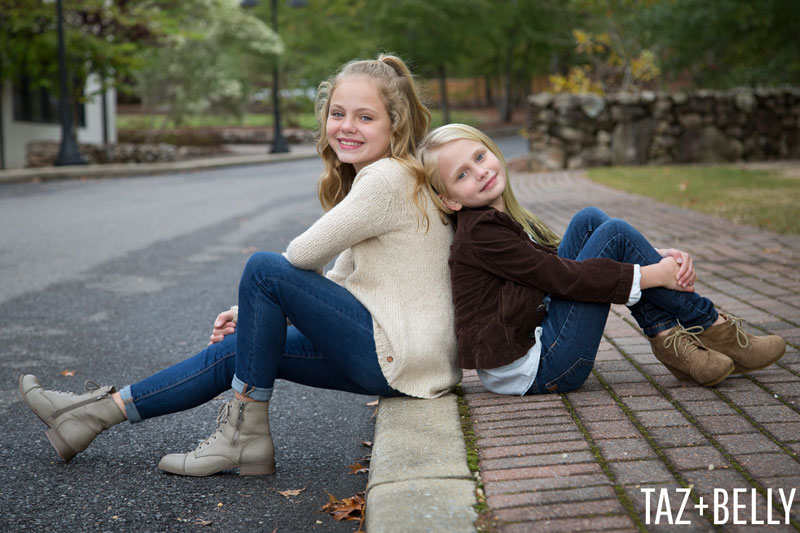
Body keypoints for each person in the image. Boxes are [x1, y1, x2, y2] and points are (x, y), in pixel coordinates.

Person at [18, 55, 459, 476]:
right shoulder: (391, 177)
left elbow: (300, 258)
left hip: (396, 355)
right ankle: (93, 416)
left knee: (263, 268)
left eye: (365, 117)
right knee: (239, 347)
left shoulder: (385, 179)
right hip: (409, 361)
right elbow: (337, 286)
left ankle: (241, 435)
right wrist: (255, 317)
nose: (346, 127)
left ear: (395, 123)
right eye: (338, 113)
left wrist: (262, 300)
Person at [417, 123, 786, 395]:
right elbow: (563, 278)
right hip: (542, 368)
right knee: (616, 233)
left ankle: (673, 339)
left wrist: (656, 256)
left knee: (590, 220)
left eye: (480, 156)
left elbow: (554, 264)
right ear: (451, 199)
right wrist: (652, 274)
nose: (480, 171)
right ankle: (712, 325)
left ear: (494, 152)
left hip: (535, 341)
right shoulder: (481, 233)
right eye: (462, 174)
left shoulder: (494, 221)